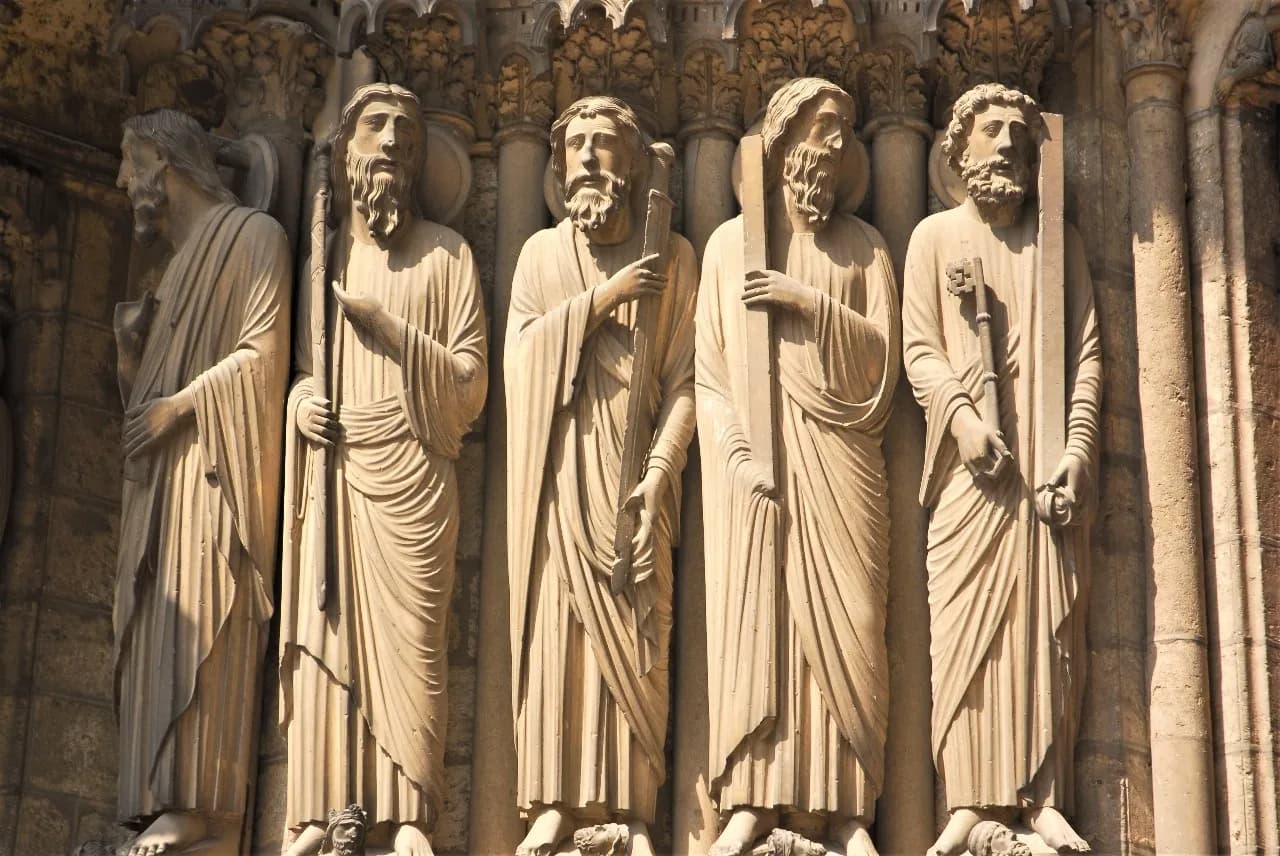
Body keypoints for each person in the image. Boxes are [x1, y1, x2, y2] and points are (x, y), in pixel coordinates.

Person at [278, 83, 487, 856]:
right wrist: (303, 406)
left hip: (415, 476)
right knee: (325, 635)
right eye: (376, 125)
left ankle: (406, 817)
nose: (393, 140)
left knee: (413, 647)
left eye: (408, 127)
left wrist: (390, 329)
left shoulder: (449, 255)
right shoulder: (325, 256)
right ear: (346, 151)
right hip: (335, 471)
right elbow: (299, 370)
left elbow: (470, 387)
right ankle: (323, 809)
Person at [696, 77, 900, 856]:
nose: (835, 145)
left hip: (844, 458)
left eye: (845, 131)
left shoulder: (865, 248)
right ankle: (750, 796)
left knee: (853, 620)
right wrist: (739, 458)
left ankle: (849, 808)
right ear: (780, 144)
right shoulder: (726, 248)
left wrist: (805, 302)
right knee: (760, 626)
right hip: (754, 475)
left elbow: (884, 366)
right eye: (821, 127)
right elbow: (708, 374)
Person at [902, 82, 1101, 855]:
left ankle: (1043, 795)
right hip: (970, 474)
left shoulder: (1061, 247)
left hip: (1045, 478)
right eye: (991, 128)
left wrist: (1079, 454)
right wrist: (962, 418)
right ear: (958, 149)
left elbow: (1087, 358)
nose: (1009, 142)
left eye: (1021, 129)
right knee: (964, 632)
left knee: (1044, 633)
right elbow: (920, 348)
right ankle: (968, 797)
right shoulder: (932, 239)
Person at [505, 96, 698, 856]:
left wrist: (660, 471)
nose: (588, 157)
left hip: (636, 484)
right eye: (576, 144)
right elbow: (520, 366)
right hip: (559, 479)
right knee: (561, 634)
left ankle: (631, 807)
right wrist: (602, 301)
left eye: (605, 143)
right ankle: (552, 800)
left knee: (634, 633)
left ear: (636, 160)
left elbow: (688, 382)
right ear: (556, 168)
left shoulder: (675, 258)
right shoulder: (542, 258)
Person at [112, 108, 291, 856]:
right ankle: (156, 798)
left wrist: (180, 408)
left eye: (132, 163)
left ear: (166, 164)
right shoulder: (171, 272)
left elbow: (262, 357)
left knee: (206, 613)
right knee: (160, 628)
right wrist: (129, 359)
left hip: (214, 476)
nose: (124, 182)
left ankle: (205, 807)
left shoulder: (254, 236)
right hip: (161, 493)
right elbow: (139, 424)